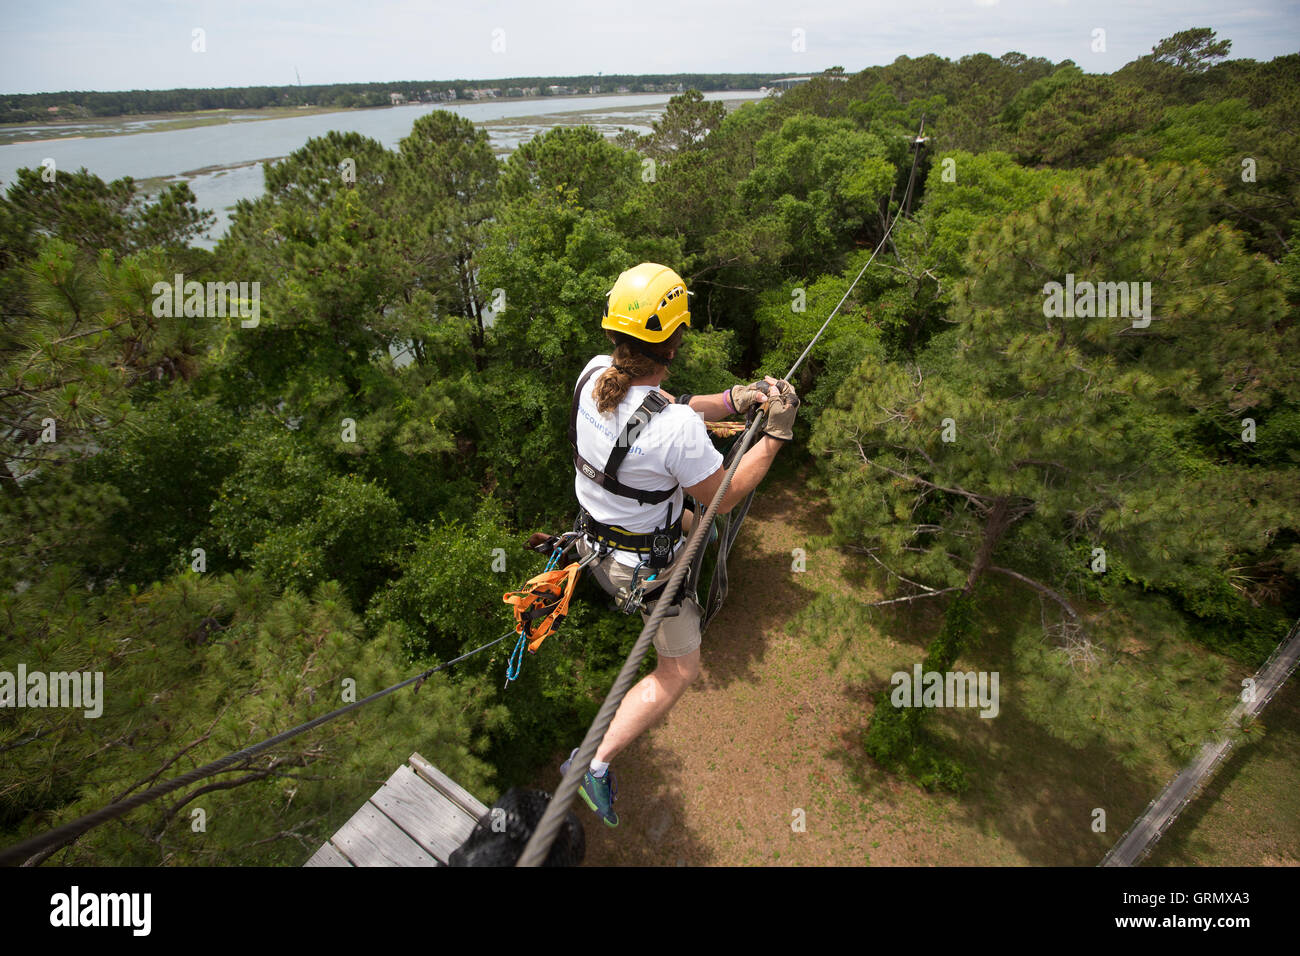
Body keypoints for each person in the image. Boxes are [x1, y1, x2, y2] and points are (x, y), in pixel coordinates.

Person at [562, 262, 799, 827]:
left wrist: (733, 400)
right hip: (641, 569)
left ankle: (685, 529)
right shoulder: (678, 433)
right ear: (674, 340)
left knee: (694, 520)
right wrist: (777, 432)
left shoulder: (594, 373)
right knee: (680, 670)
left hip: (596, 541)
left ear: (615, 335)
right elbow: (726, 492)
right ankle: (591, 760)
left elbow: (660, 410)